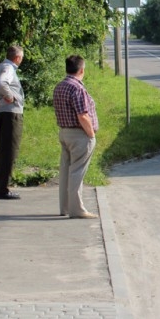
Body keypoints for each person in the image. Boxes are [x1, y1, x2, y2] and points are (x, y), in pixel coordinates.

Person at [52, 55, 99, 219]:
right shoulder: (77, 88)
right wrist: (91, 134)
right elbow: (83, 115)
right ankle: (77, 209)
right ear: (81, 70)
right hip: (79, 134)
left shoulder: (60, 86)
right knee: (77, 172)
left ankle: (64, 207)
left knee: (65, 170)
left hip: (64, 132)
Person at [0, 45, 25, 200]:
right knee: (9, 150)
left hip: (3, 112)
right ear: (17, 57)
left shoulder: (2, 66)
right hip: (9, 113)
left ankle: (1, 186)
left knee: (4, 149)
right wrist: (11, 96)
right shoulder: (8, 68)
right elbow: (1, 83)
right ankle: (2, 189)